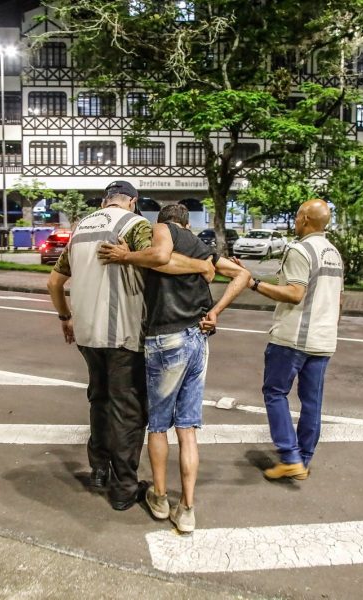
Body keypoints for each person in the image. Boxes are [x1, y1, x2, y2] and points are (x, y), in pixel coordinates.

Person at [47, 180, 214, 512]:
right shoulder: (135, 224)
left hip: (86, 333)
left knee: (100, 398)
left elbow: (54, 281)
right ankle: (123, 486)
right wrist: (202, 265)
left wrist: (65, 316)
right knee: (128, 410)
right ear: (133, 202)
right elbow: (160, 260)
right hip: (124, 334)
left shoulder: (79, 229)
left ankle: (98, 469)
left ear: (105, 200)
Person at [98, 204, 250, 533]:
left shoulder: (163, 230)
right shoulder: (202, 247)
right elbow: (243, 275)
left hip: (166, 338)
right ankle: (188, 508)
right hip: (198, 338)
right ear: (187, 223)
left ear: (164, 223)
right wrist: (216, 312)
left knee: (158, 426)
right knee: (187, 430)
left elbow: (160, 256)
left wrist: (125, 256)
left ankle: (161, 497)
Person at [246, 199, 343, 481]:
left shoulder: (300, 250)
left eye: (298, 216)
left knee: (275, 393)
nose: (296, 220)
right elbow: (338, 299)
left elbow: (294, 293)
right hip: (324, 339)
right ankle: (304, 459)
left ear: (304, 219)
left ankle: (289, 457)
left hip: (294, 339)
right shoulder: (333, 253)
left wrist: (254, 284)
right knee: (312, 401)